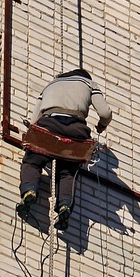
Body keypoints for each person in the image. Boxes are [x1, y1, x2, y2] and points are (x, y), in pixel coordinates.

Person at [16, 69, 113, 231]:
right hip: (76, 131)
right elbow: (105, 113)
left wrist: (35, 136)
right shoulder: (89, 84)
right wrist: (102, 125)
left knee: (32, 161)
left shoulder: (50, 85)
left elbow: (35, 119)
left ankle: (30, 190)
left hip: (49, 123)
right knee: (67, 171)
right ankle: (64, 206)